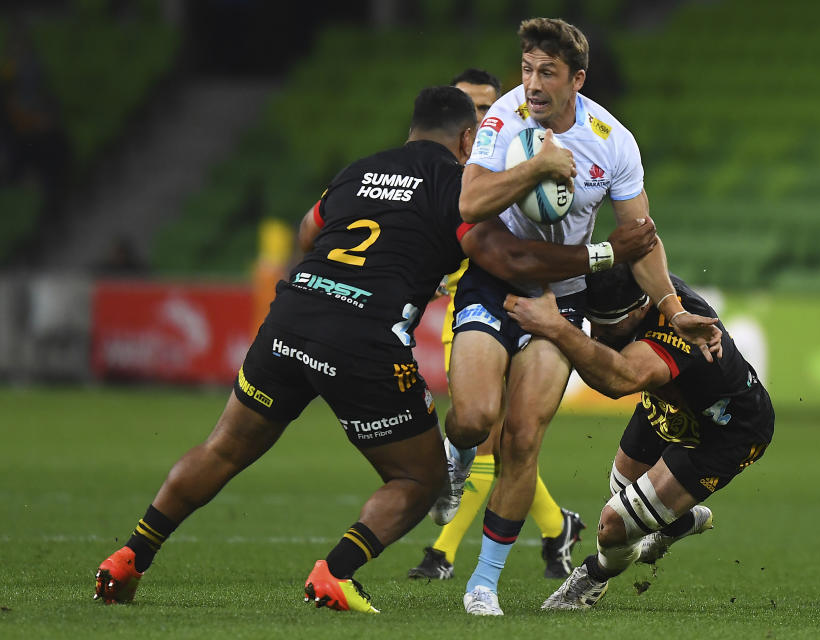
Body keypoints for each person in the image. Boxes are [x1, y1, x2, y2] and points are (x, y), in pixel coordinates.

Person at [92, 85, 660, 613]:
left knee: (222, 448)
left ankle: (130, 558)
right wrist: (602, 254)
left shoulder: (358, 171)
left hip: (291, 317)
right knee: (421, 478)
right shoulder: (454, 189)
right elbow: (509, 260)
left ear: (413, 129)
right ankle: (337, 571)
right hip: (361, 338)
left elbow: (309, 231)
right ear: (468, 141)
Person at [435, 17, 722, 616]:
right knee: (474, 418)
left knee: (522, 438)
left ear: (577, 80)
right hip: (491, 286)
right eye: (526, 70)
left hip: (563, 296)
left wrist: (671, 307)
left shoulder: (612, 140)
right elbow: (469, 201)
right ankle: (456, 455)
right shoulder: (504, 118)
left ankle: (482, 583)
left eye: (547, 73)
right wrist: (536, 169)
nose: (532, 85)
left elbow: (640, 238)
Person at [502, 264, 775, 610]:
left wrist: (556, 327)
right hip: (672, 402)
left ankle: (592, 577)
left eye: (610, 322)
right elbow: (645, 237)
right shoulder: (642, 280)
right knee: (622, 494)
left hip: (726, 431)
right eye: (593, 319)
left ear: (641, 308)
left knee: (613, 526)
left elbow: (616, 381)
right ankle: (679, 521)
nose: (599, 331)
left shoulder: (679, 336)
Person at [409, 68, 586, 582]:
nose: (479, 119)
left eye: (487, 108)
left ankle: (444, 552)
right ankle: (557, 525)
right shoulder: (446, 170)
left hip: (512, 296)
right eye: (469, 109)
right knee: (483, 426)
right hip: (472, 302)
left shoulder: (510, 161)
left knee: (509, 436)